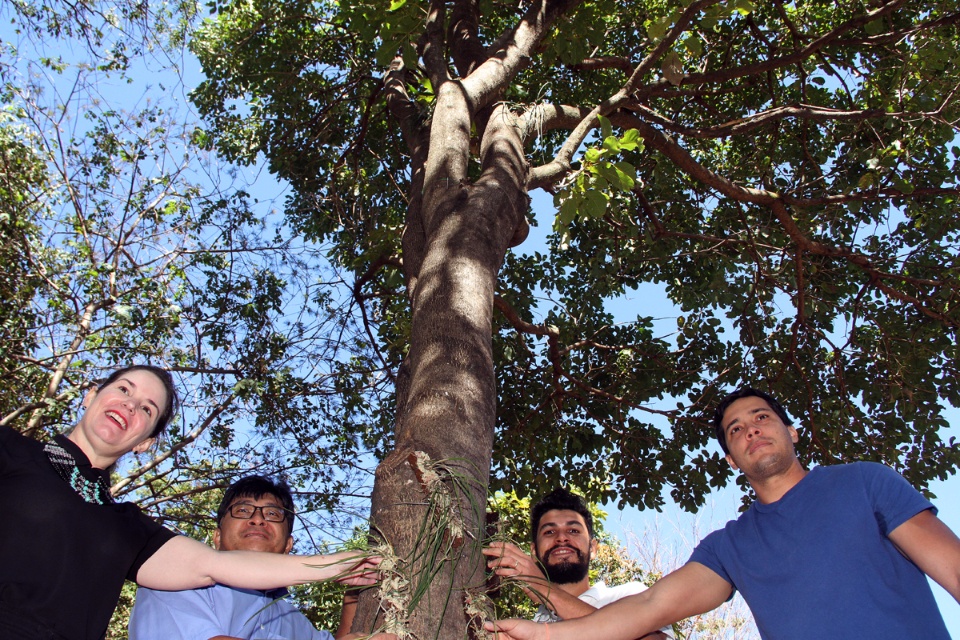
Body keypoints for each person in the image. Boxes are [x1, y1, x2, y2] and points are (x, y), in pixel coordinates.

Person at [485, 387, 960, 640]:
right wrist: (544, 637)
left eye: (761, 418)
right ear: (731, 460)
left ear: (792, 433)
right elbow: (651, 607)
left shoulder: (864, 481)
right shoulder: (730, 546)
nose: (750, 430)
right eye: (735, 430)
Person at [0, 365, 380, 640]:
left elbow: (213, 566)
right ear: (91, 396)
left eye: (148, 409)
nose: (131, 406)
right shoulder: (12, 451)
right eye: (123, 389)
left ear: (146, 441)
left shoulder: (127, 527)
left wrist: (346, 565)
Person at [129, 475, 389, 640]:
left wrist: (355, 591)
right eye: (243, 510)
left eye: (273, 515)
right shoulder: (173, 579)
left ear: (288, 545)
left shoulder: (288, 617)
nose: (257, 519)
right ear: (217, 537)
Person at [482, 488, 669, 638]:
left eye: (573, 531)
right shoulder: (531, 625)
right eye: (549, 532)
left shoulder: (631, 595)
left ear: (594, 548)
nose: (561, 538)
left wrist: (547, 592)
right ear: (533, 552)